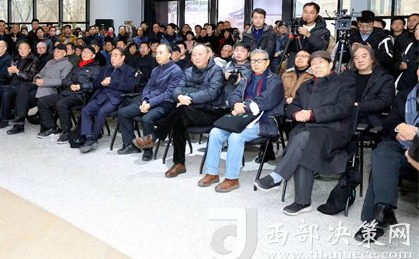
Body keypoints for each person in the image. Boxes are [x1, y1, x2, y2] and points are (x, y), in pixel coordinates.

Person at [255, 50, 355, 216]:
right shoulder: (306, 86)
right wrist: (296, 114)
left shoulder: (343, 83)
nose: (317, 66)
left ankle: (278, 177)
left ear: (330, 64)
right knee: (303, 142)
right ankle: (302, 202)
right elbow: (292, 107)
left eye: (321, 63)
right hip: (307, 130)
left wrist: (312, 115)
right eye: (313, 64)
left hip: (334, 131)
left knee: (303, 139)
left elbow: (342, 109)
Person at [133, 44, 226, 175]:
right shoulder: (188, 71)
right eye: (194, 55)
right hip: (189, 110)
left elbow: (211, 93)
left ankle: (154, 137)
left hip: (210, 111)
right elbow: (176, 90)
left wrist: (189, 97)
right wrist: (181, 97)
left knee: (180, 111)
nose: (197, 57)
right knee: (179, 118)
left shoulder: (216, 70)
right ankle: (179, 164)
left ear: (209, 55)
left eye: (200, 54)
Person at [200, 49, 284, 192]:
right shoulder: (247, 77)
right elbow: (235, 94)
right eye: (253, 60)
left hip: (264, 120)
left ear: (267, 62)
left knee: (235, 137)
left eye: (259, 60)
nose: (255, 64)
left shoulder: (275, 80)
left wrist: (244, 107)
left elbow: (265, 101)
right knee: (215, 133)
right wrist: (236, 104)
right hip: (242, 117)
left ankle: (232, 178)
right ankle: (212, 173)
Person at [354, 69, 418, 243]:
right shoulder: (405, 95)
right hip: (405, 150)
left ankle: (376, 219)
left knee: (382, 167)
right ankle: (382, 211)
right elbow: (389, 122)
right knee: (382, 153)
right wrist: (399, 128)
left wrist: (416, 134)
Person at [116, 44, 185, 160]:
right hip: (149, 101)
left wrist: (150, 103)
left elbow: (168, 94)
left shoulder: (176, 71)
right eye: (156, 53)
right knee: (123, 112)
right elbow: (148, 87)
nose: (157, 55)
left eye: (161, 53)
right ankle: (130, 144)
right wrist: (145, 100)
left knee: (146, 119)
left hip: (165, 104)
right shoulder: (155, 69)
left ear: (169, 54)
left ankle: (148, 150)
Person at [37, 45, 101, 142]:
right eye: (84, 52)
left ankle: (66, 132)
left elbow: (96, 84)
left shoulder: (96, 68)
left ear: (93, 56)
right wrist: (70, 84)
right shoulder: (76, 66)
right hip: (68, 92)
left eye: (88, 52)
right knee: (43, 101)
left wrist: (80, 86)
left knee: (61, 104)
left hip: (82, 95)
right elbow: (65, 79)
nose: (85, 54)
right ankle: (52, 127)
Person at [79, 48, 136, 153]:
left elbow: (130, 87)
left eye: (116, 55)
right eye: (112, 55)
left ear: (123, 57)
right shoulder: (106, 68)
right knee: (85, 110)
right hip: (102, 95)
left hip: (116, 98)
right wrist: (101, 83)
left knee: (101, 112)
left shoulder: (129, 70)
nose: (112, 58)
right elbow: (95, 84)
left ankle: (93, 139)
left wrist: (111, 82)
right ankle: (88, 137)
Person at [0, 41, 39, 133]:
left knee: (9, 92)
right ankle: (1, 118)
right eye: (20, 49)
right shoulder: (16, 59)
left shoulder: (34, 60)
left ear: (29, 50)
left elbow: (30, 77)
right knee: (0, 91)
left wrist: (17, 71)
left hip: (26, 85)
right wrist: (10, 73)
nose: (22, 50)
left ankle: (17, 124)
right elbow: (9, 76)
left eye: (24, 49)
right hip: (14, 84)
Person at [347, 43, 394, 128]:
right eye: (356, 58)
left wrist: (357, 105)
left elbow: (383, 102)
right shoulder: (346, 77)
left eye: (364, 56)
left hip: (370, 119)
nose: (360, 60)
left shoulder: (385, 79)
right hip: (345, 116)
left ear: (372, 59)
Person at [286, 2, 331, 68]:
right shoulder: (295, 26)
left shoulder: (323, 31)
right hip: (294, 61)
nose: (307, 15)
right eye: (305, 12)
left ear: (316, 15)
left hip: (312, 62)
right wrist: (290, 37)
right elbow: (286, 47)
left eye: (311, 13)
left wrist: (309, 35)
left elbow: (322, 47)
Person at [394, 28, 419, 92]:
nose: (416, 32)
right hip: (405, 84)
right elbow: (398, 61)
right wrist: (400, 66)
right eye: (416, 30)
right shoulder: (410, 45)